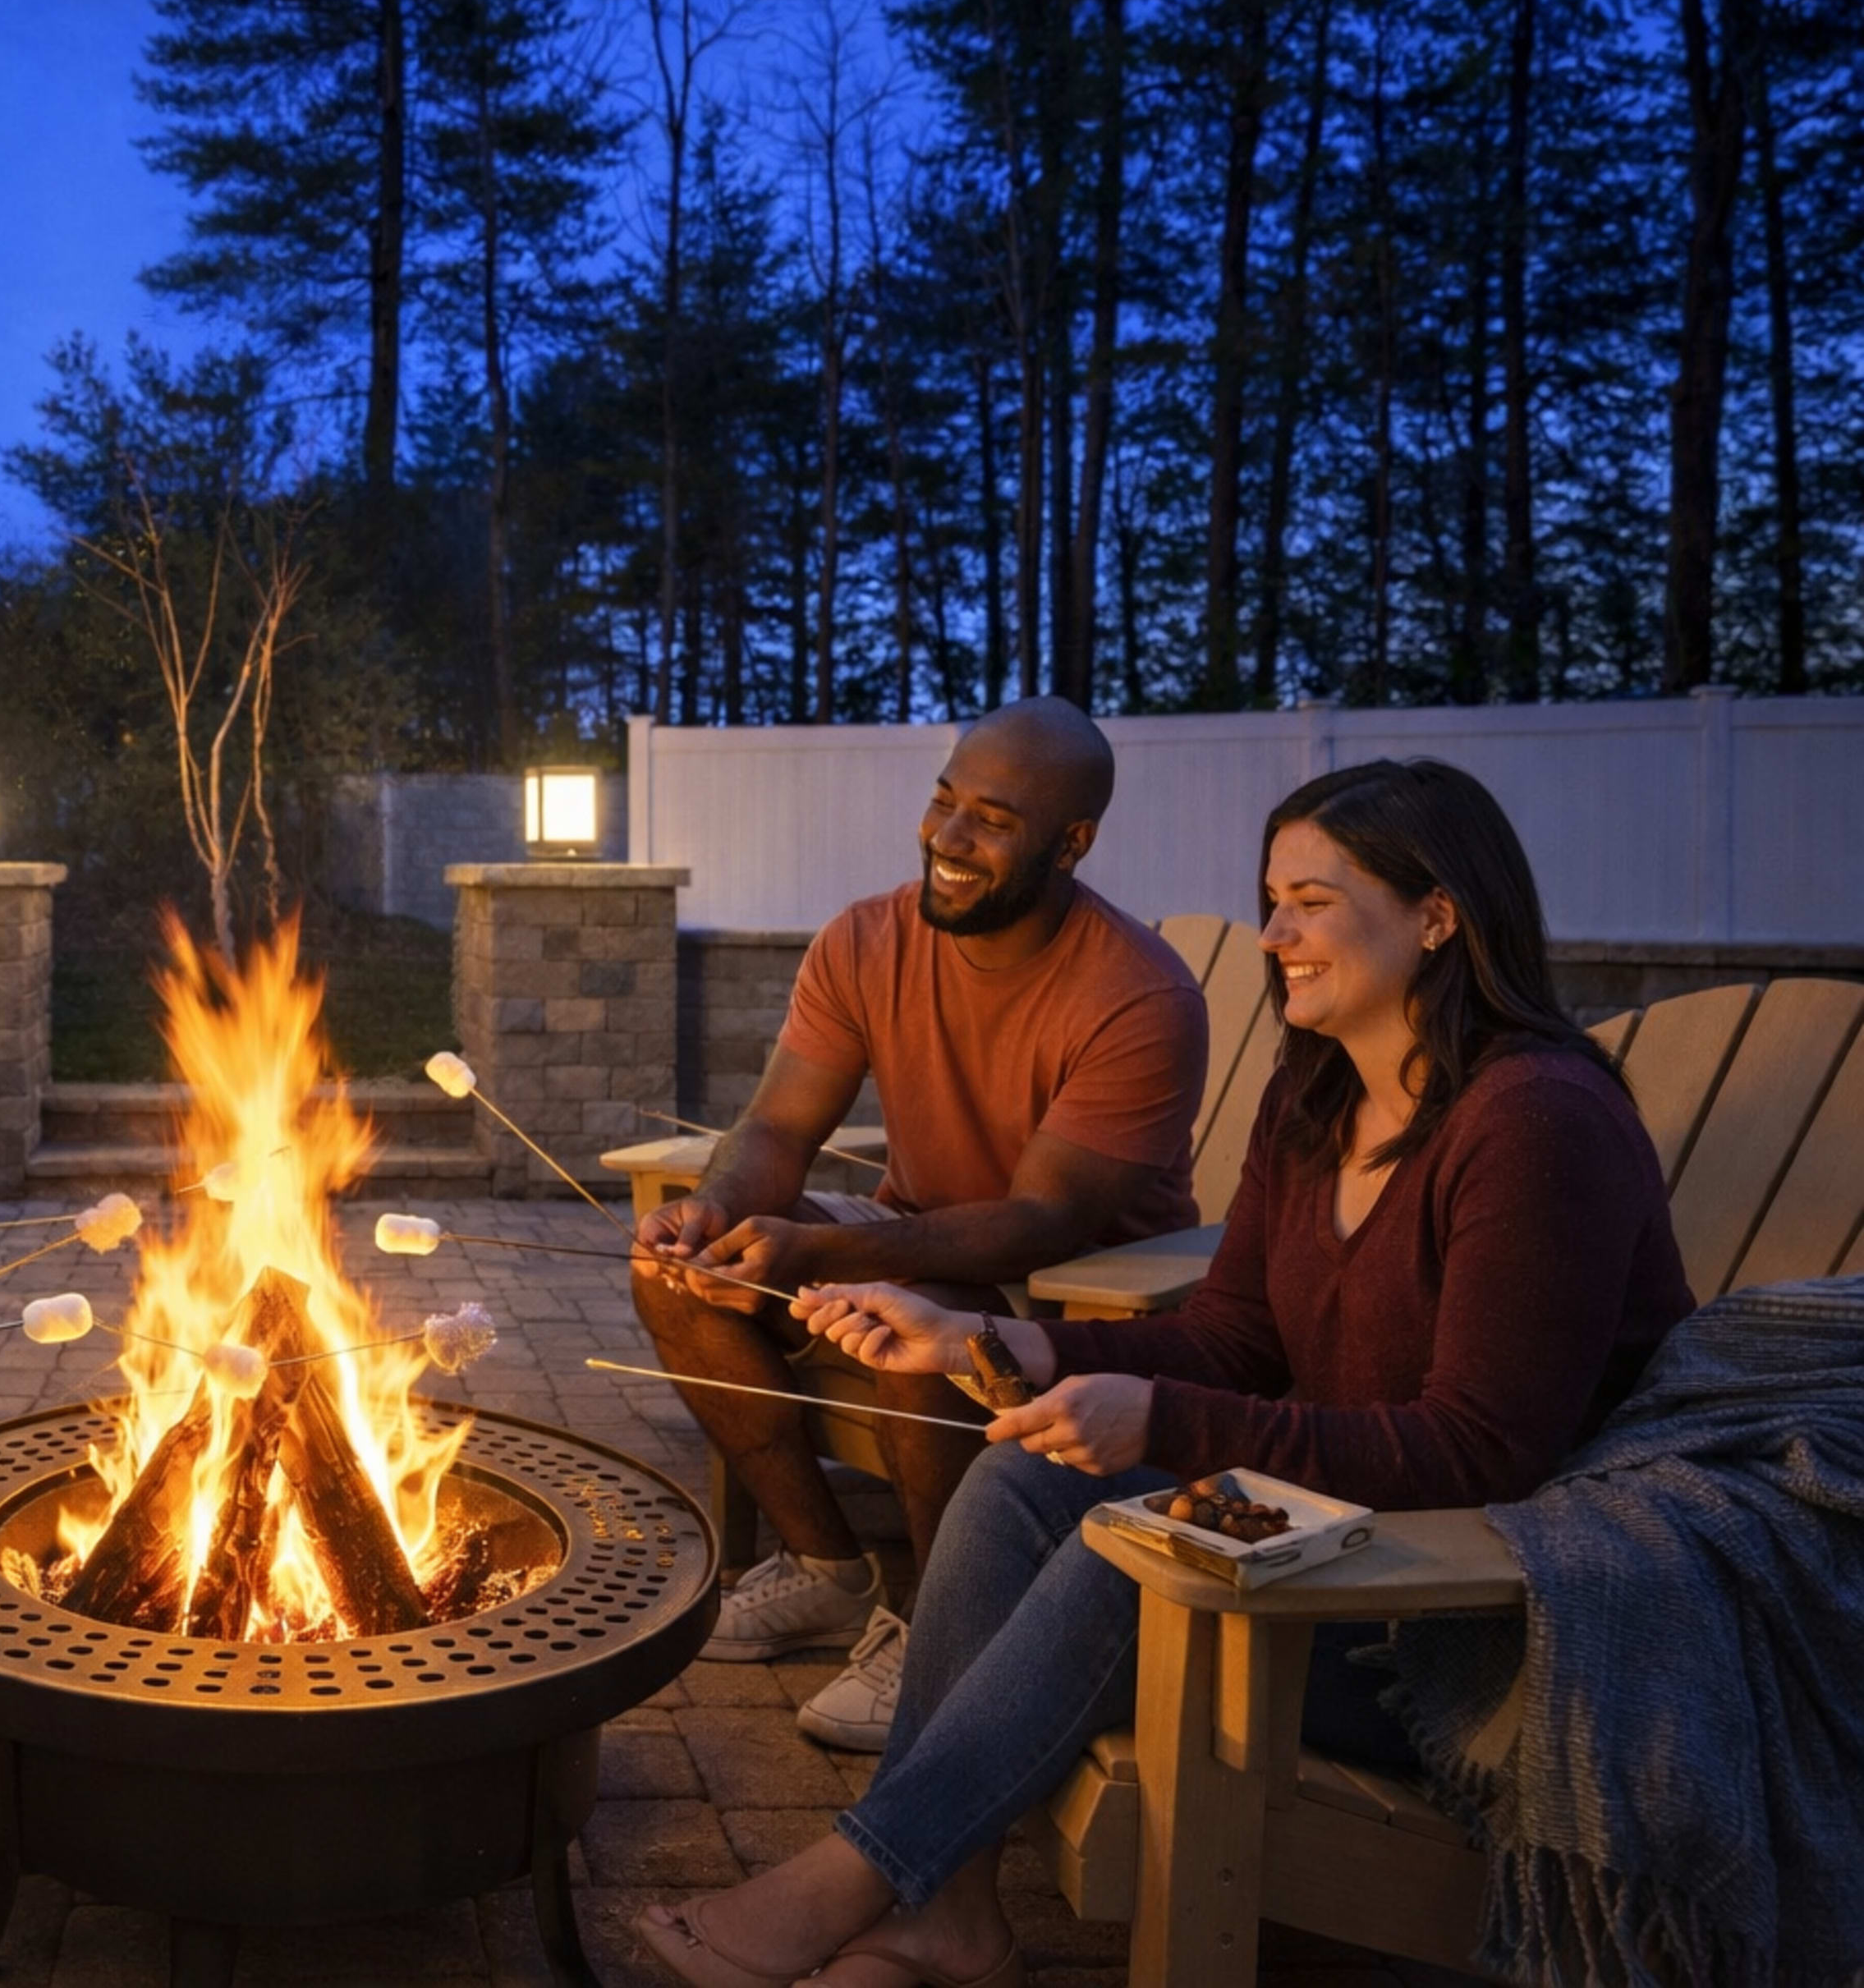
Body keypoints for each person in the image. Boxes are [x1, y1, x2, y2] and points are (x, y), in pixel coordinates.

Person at [636, 757, 1694, 1988]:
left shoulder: (1536, 1123)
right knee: (1019, 1472)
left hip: (1468, 1628)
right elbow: (1230, 1341)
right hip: (1336, 1546)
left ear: (1438, 915)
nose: (1276, 933)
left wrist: (1160, 1415)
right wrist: (985, 1345)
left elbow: (1483, 1451)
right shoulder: (1318, 1102)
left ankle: (863, 1872)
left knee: (1127, 1553)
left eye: (1312, 900)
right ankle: (952, 1907)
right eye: (1272, 898)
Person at [636, 698, 1210, 1752]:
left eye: (992, 820)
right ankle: (829, 1571)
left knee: (915, 1323)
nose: (948, 838)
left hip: (1085, 1290)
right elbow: (775, 1126)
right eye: (945, 802)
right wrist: (720, 1212)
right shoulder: (867, 938)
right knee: (679, 1274)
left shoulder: (1137, 996)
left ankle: (945, 1626)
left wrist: (825, 1249)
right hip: (923, 1235)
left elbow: (1043, 1221)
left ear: (1071, 842)